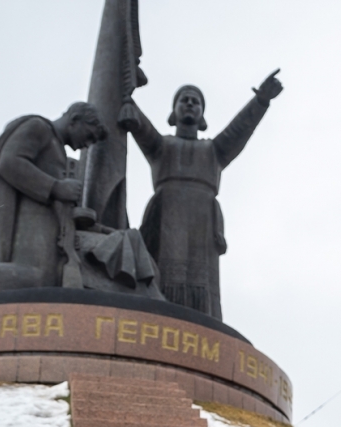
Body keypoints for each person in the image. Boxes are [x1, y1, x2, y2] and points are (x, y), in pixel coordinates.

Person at [118, 73, 283, 318]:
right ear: (173, 113)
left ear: (202, 116)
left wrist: (260, 101)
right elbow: (140, 124)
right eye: (184, 100)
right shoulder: (161, 146)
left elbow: (239, 130)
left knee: (202, 281)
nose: (190, 104)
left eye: (196, 102)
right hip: (165, 218)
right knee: (160, 275)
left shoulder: (213, 150)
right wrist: (123, 96)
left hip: (202, 223)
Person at [0, 103, 109, 298]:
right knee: (37, 278)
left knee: (47, 281)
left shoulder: (58, 147)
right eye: (90, 135)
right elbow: (8, 162)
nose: (88, 144)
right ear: (75, 120)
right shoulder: (38, 127)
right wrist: (56, 187)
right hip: (29, 221)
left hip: (49, 224)